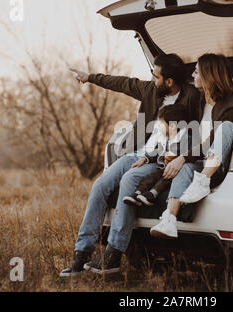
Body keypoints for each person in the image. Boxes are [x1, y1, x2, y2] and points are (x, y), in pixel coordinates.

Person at [60, 54, 200, 276]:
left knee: (128, 181)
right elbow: (123, 83)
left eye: (156, 76)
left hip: (160, 159)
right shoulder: (151, 91)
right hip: (136, 154)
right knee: (100, 185)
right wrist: (90, 78)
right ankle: (81, 252)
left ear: (170, 81)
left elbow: (197, 132)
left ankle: (114, 253)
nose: (152, 79)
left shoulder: (192, 96)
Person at [150, 53, 233, 239]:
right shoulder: (202, 101)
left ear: (208, 75)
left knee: (226, 128)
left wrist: (183, 157)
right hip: (201, 160)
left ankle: (202, 181)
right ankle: (169, 219)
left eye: (197, 72)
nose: (193, 76)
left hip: (221, 165)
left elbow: (210, 142)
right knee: (185, 167)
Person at [123, 104, 191, 207]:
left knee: (164, 179)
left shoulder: (186, 138)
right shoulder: (166, 139)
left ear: (172, 126)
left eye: (161, 124)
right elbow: (157, 152)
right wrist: (144, 159)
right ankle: (137, 194)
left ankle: (152, 194)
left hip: (176, 171)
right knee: (151, 177)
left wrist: (174, 157)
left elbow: (188, 154)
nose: (159, 127)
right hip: (164, 168)